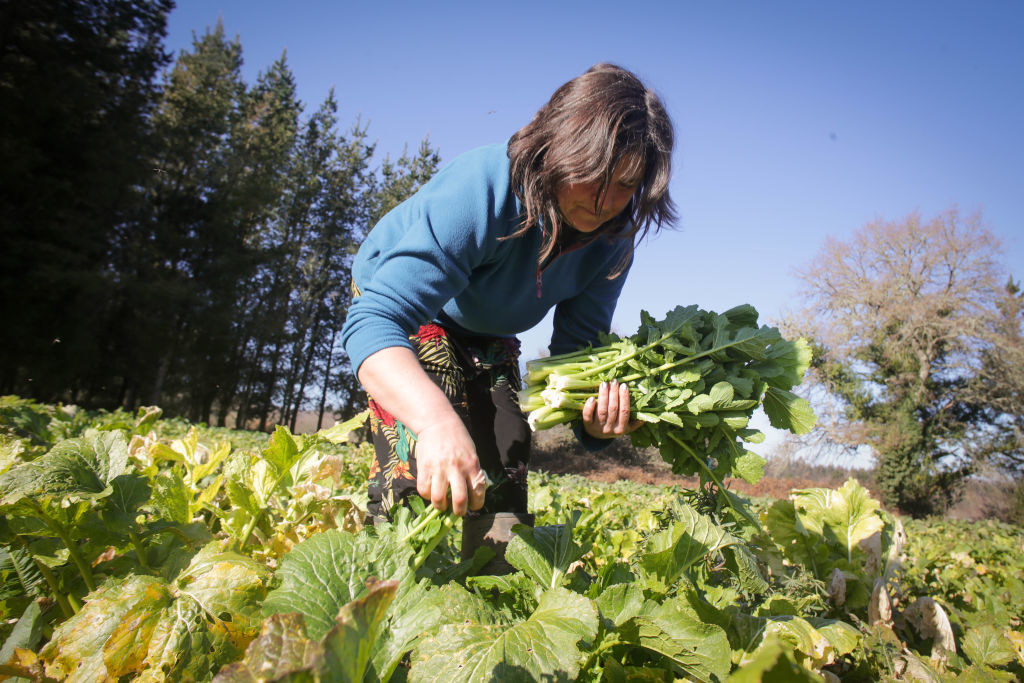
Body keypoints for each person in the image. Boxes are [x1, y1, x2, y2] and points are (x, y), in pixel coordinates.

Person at [340, 63, 676, 543]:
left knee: (505, 458)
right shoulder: (483, 188)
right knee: (428, 457)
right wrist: (435, 421)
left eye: (625, 185)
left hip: (487, 326)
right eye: (594, 175)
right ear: (558, 149)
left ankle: (486, 587)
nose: (605, 201)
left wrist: (597, 424)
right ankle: (390, 568)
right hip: (409, 309)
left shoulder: (613, 243)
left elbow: (574, 354)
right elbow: (376, 320)